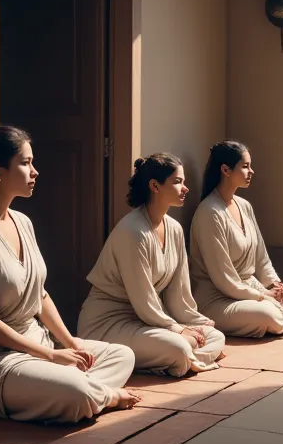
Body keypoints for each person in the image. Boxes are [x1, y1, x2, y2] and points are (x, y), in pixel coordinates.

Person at [0, 127, 139, 425]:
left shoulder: (23, 222)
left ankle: (79, 392)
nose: (35, 171)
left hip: (40, 343)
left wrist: (70, 343)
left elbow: (40, 296)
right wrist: (51, 357)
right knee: (74, 390)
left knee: (122, 355)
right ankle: (100, 395)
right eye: (26, 163)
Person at [78, 153, 226, 378]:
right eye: (177, 182)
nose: (185, 188)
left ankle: (181, 360)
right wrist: (179, 330)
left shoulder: (174, 229)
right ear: (155, 186)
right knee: (180, 346)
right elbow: (144, 300)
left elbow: (179, 293)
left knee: (214, 336)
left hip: (148, 321)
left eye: (184, 182)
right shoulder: (133, 232)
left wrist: (197, 323)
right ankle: (179, 358)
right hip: (109, 323)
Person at [189, 140, 283, 338]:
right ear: (225, 170)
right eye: (245, 167)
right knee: (266, 314)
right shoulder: (209, 212)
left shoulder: (244, 206)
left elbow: (261, 258)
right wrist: (264, 297)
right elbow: (224, 279)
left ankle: (280, 320)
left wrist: (275, 286)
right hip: (218, 300)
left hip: (254, 289)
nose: (251, 171)